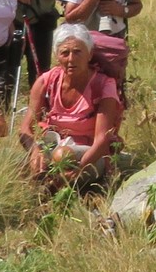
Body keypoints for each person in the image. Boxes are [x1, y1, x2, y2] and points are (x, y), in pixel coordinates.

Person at [23, 23, 124, 186]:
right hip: (52, 146)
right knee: (14, 163)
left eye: (78, 52)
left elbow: (102, 139)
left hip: (90, 156)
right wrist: (35, 151)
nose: (71, 59)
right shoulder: (45, 82)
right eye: (65, 53)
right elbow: (25, 128)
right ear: (57, 55)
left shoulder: (104, 85)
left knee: (61, 156)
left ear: (90, 54)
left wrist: (80, 169)